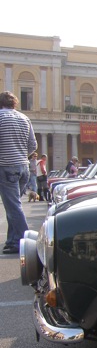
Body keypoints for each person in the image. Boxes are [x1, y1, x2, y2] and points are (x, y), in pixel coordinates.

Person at [0, 91, 37, 254]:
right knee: (14, 205)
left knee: (13, 206)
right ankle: (13, 241)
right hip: (23, 167)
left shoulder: (0, 118)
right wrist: (21, 155)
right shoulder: (24, 118)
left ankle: (27, 242)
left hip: (6, 167)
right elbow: (33, 145)